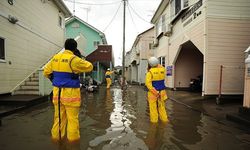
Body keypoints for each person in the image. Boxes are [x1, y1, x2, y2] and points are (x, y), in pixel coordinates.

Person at [43, 39, 93, 142]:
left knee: (59, 119)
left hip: (57, 94)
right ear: (75, 48)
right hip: (71, 96)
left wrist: (54, 79)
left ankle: (57, 141)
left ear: (65, 46)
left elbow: (46, 72)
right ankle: (73, 144)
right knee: (72, 120)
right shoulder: (74, 59)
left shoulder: (55, 58)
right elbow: (90, 67)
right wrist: (78, 57)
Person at [145, 57, 168, 123]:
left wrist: (155, 93)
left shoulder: (150, 72)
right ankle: (164, 120)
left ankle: (154, 123)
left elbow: (148, 85)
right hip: (162, 92)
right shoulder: (163, 70)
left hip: (153, 94)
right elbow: (160, 66)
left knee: (153, 109)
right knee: (162, 108)